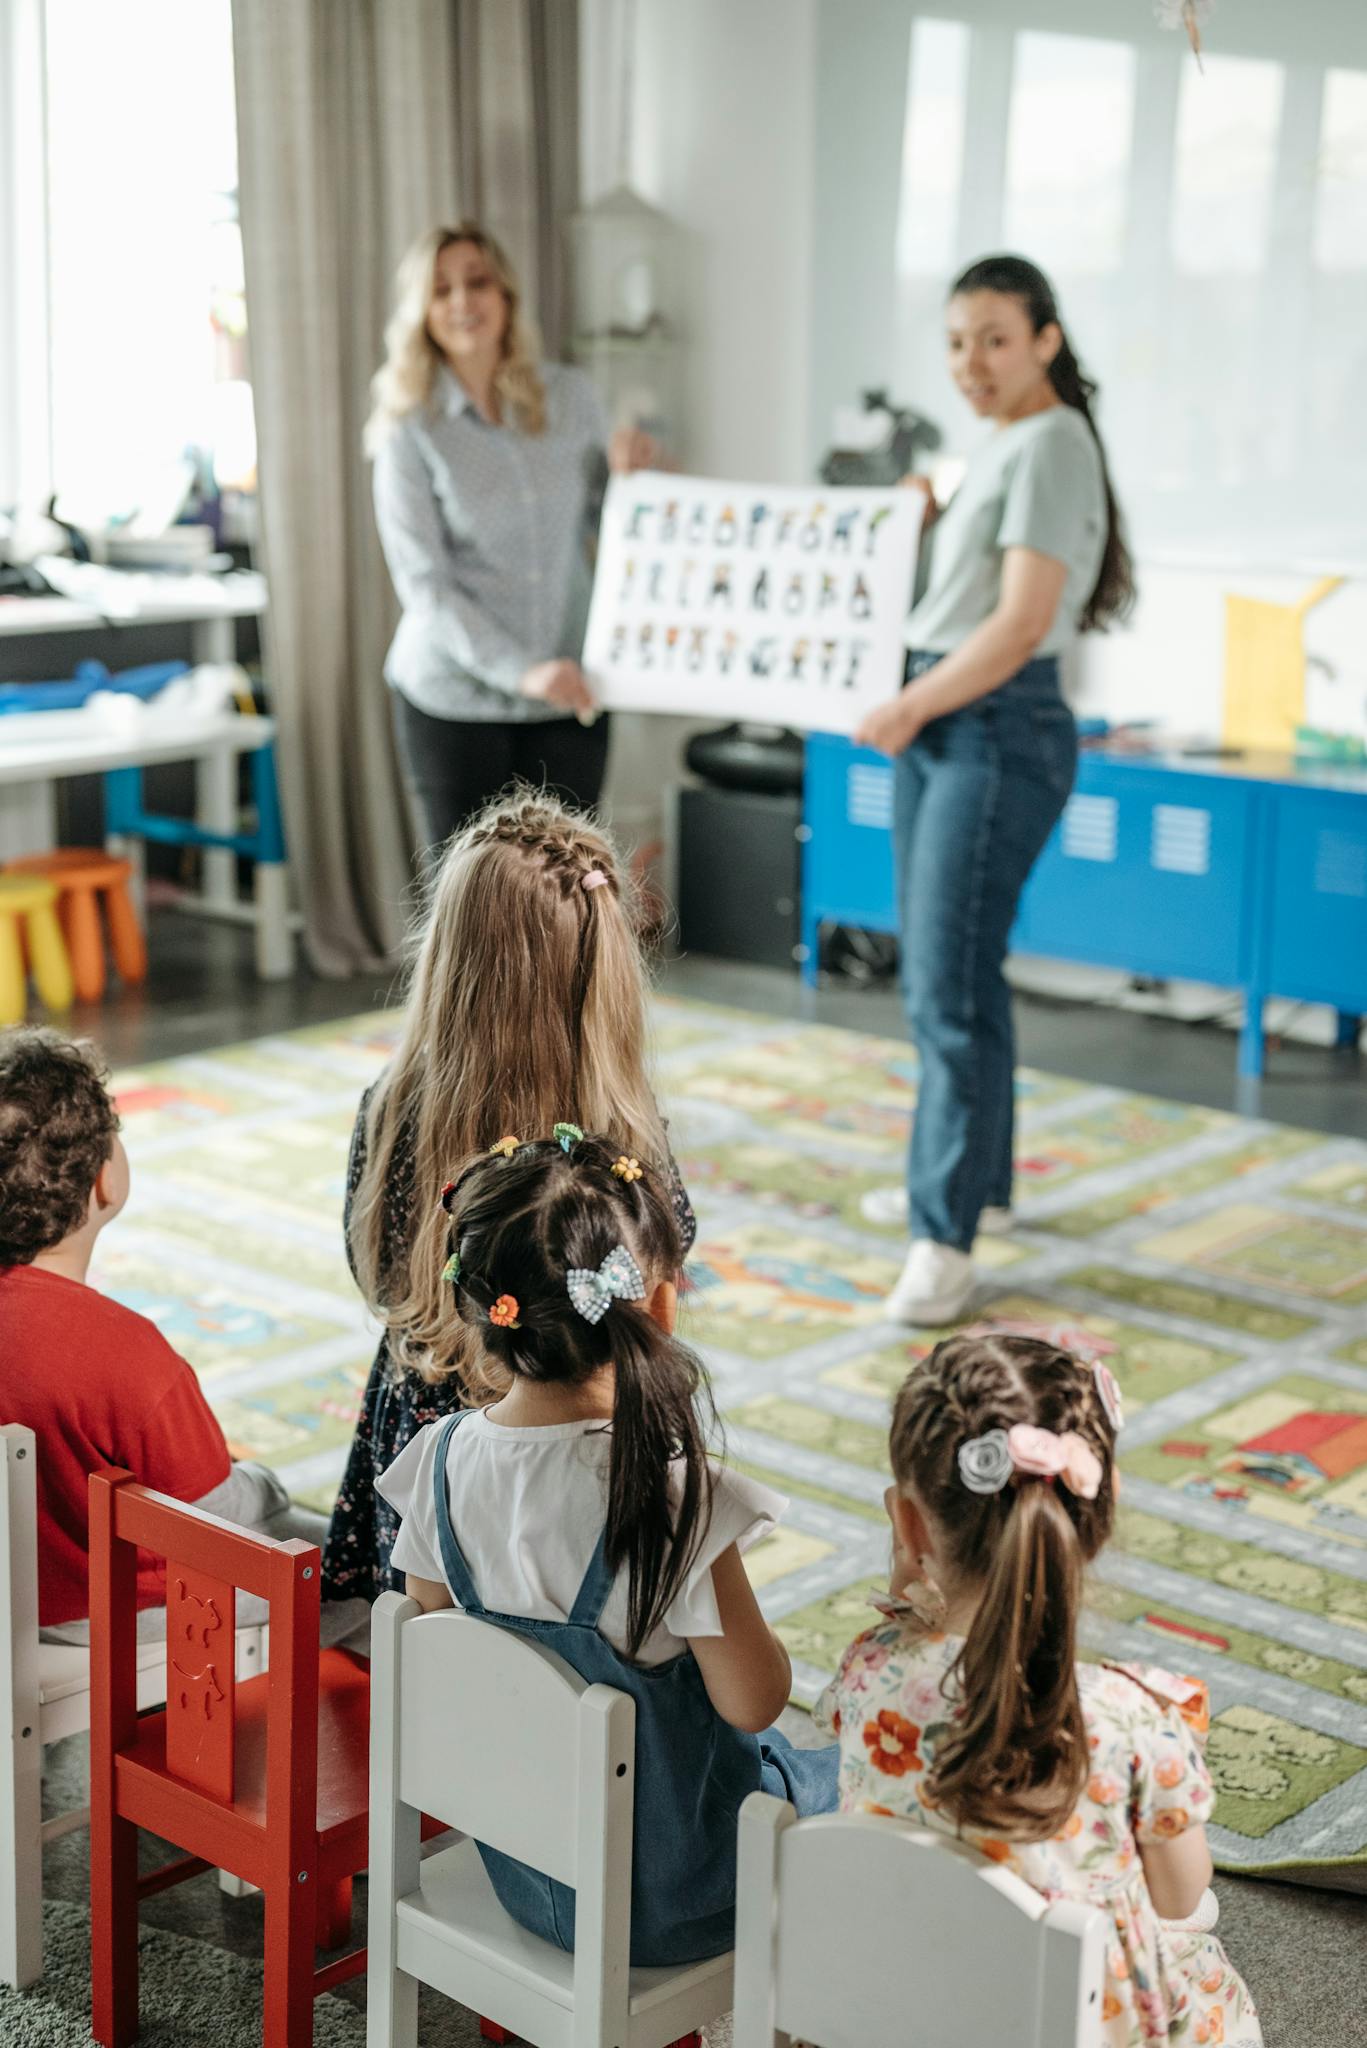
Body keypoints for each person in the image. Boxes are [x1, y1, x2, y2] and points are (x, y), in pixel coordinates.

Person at [378, 1132, 839, 1964]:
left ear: (482, 1315)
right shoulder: (672, 1498)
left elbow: (428, 1641)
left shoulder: (438, 1463)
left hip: (521, 1873)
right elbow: (756, 1702)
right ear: (658, 1306)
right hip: (677, 1900)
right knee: (857, 1782)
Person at [816, 1332, 1261, 2048]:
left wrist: (905, 1583)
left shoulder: (869, 1669)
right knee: (1201, 1959)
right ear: (1102, 1509)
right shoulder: (1132, 1720)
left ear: (905, 1520)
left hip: (898, 2012)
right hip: (1067, 2024)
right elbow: (1179, 1895)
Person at [322, 790, 696, 1604]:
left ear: (449, 957)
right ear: (607, 974)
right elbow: (662, 1278)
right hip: (585, 1452)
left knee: (439, 1653)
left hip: (433, 1467)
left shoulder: (392, 1110)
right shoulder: (626, 1138)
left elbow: (378, 1278)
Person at [854, 254, 1135, 1325]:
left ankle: (944, 1232)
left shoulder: (1053, 440)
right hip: (953, 722)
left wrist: (914, 702)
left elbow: (1017, 623)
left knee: (944, 986)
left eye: (993, 339)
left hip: (990, 723)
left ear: (1045, 341)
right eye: (955, 342)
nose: (970, 362)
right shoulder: (1007, 444)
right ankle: (979, 1186)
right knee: (961, 972)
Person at [0, 1028, 364, 1645]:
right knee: (354, 1571)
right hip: (123, 1619)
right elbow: (217, 1518)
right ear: (105, 1182)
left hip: (19, 1603)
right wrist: (265, 1486)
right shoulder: (124, 1352)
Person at [366, 220, 657, 853]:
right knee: (470, 914)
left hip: (568, 693)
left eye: (478, 283)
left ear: (507, 297)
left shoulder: (572, 398)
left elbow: (610, 525)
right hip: (454, 699)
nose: (463, 302)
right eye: (442, 290)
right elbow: (426, 587)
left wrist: (634, 476)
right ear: (422, 311)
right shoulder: (409, 430)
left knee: (568, 896)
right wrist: (522, 671)